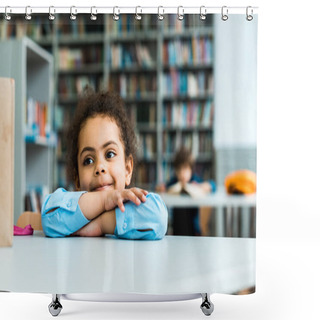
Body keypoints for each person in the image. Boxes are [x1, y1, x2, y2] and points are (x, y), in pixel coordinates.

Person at [41, 89, 168, 240]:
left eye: (110, 154)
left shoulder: (134, 205)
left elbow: (158, 217)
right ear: (77, 179)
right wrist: (105, 199)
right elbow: (48, 219)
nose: (99, 168)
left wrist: (101, 224)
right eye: (88, 160)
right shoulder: (70, 206)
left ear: (128, 169)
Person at [157, 147, 216, 236]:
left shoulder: (195, 180)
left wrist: (207, 186)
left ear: (191, 169)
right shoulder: (174, 181)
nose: (182, 173)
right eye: (179, 170)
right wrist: (161, 187)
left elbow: (213, 185)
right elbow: (163, 186)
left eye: (185, 169)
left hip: (193, 227)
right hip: (177, 227)